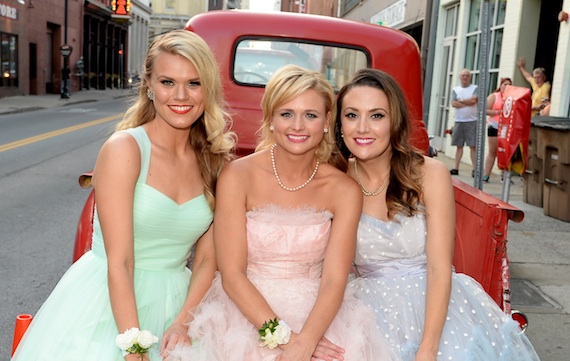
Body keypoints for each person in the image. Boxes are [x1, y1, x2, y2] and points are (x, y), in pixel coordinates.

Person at [12, 29, 235, 361]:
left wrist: (185, 322)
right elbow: (120, 261)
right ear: (148, 85)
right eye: (167, 82)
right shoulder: (126, 149)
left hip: (180, 303)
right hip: (106, 301)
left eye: (194, 83)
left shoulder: (215, 161)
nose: (181, 96)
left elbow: (206, 260)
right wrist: (133, 344)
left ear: (208, 89)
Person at [165, 65, 396, 361]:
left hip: (319, 316)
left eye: (310, 115)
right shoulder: (237, 176)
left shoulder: (344, 190)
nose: (297, 126)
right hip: (243, 313)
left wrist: (307, 341)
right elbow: (232, 275)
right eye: (286, 113)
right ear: (271, 119)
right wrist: (283, 338)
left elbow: (335, 278)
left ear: (327, 121)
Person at [328, 68, 540, 360]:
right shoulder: (335, 181)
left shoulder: (429, 173)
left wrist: (428, 349)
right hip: (365, 312)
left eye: (377, 115)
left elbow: (440, 267)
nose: (362, 127)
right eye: (352, 115)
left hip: (438, 309)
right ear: (339, 124)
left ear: (395, 121)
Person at [449, 68, 478, 177]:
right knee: (459, 146)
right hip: (459, 120)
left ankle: (475, 169)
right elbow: (453, 103)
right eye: (463, 76)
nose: (465, 77)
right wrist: (467, 103)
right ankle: (455, 168)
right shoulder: (456, 90)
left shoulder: (474, 88)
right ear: (460, 77)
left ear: (470, 77)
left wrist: (461, 101)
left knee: (472, 146)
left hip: (471, 120)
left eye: (467, 75)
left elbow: (474, 100)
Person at [483, 77, 512, 182]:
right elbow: (484, 109)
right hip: (494, 125)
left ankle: (504, 176)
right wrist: (496, 112)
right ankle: (486, 175)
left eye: (509, 85)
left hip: (506, 127)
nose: (506, 87)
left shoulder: (511, 97)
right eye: (505, 84)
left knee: (505, 152)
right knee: (492, 151)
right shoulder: (494, 96)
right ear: (500, 85)